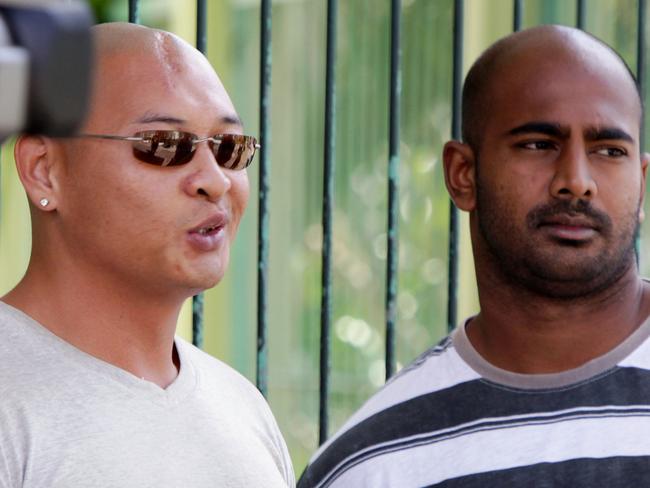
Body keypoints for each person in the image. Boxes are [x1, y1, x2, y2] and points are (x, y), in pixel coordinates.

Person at [299, 24, 650, 487]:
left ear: (641, 180)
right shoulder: (374, 466)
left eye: (609, 150)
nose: (577, 180)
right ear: (462, 174)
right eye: (538, 145)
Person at [0, 22, 294, 487]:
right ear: (44, 171)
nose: (214, 180)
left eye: (229, 149)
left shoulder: (242, 408)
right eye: (164, 146)